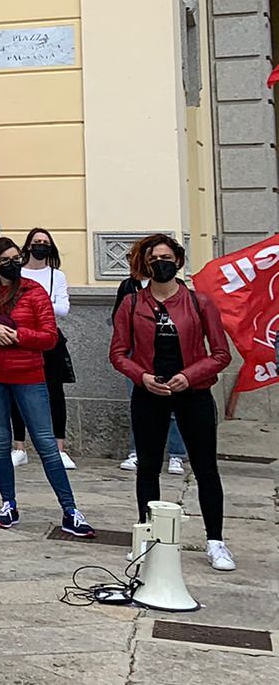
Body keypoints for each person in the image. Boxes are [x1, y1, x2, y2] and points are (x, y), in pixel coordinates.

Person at [108, 233, 235, 570]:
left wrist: (190, 375)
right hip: (150, 394)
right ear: (144, 265)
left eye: (165, 257)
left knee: (206, 468)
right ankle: (147, 537)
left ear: (178, 261)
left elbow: (221, 354)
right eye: (153, 259)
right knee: (148, 467)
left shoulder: (199, 302)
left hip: (192, 394)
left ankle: (216, 541)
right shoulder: (132, 304)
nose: (159, 264)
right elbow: (118, 353)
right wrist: (142, 377)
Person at [0, 235, 94, 537]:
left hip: (28, 375)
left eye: (16, 259)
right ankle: (8, 504)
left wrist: (17, 335)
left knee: (46, 443)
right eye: (5, 261)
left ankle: (70, 509)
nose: (13, 265)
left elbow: (49, 336)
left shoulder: (34, 291)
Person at [113, 247, 188, 474]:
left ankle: (176, 454)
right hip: (138, 354)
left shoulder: (179, 287)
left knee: (174, 406)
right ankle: (137, 452)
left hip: (171, 353)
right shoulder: (129, 287)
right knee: (139, 405)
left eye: (163, 259)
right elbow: (119, 318)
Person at [19, 227, 76, 468]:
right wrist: (45, 303)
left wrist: (35, 304)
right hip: (21, 339)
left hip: (49, 339)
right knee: (18, 392)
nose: (40, 245)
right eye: (36, 241)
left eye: (45, 242)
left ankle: (59, 447)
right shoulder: (18, 273)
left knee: (55, 392)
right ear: (28, 245)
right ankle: (19, 446)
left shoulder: (57, 276)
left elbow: (63, 308)